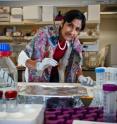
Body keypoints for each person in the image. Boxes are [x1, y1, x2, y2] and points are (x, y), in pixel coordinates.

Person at [18, 10, 93, 85]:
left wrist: (81, 77)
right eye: (70, 25)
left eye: (77, 29)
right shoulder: (44, 33)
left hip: (55, 80)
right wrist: (38, 65)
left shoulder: (74, 42)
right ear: (62, 23)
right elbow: (21, 57)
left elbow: (76, 64)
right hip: (37, 82)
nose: (72, 32)